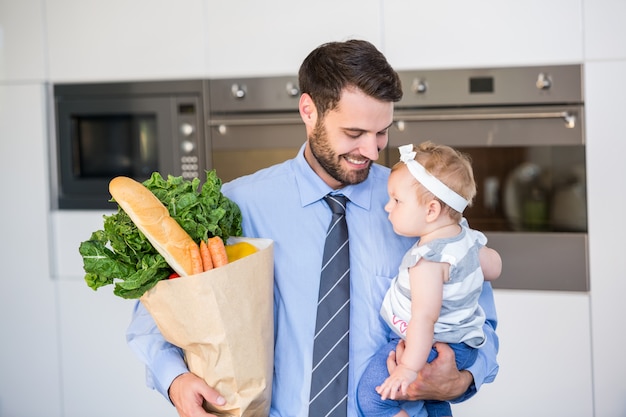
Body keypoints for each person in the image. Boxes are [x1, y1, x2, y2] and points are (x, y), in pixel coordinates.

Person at [126, 39, 500, 417]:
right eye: (354, 133)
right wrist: (176, 381)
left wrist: (461, 380)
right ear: (309, 111)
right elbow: (160, 319)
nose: (372, 151)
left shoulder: (424, 206)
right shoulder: (235, 206)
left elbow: (482, 327)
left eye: (383, 132)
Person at [356, 142, 501, 417]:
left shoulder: (427, 261)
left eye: (397, 201)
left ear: (431, 211)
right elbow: (494, 267)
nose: (388, 207)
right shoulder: (468, 241)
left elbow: (424, 318)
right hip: (463, 348)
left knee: (373, 398)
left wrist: (408, 369)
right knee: (434, 402)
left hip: (428, 348)